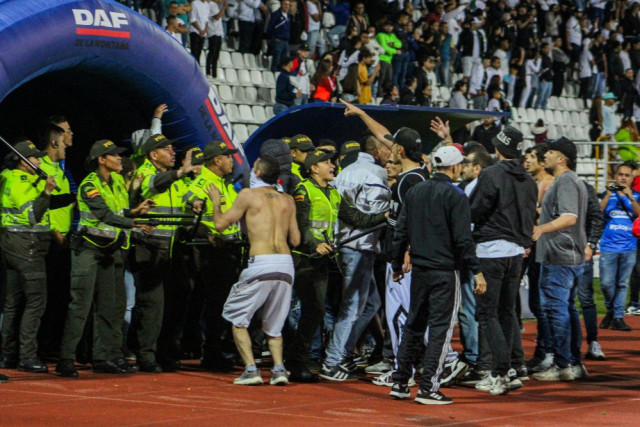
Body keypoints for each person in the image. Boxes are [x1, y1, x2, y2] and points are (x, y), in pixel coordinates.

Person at [390, 146, 487, 405]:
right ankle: (428, 387)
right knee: (440, 330)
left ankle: (400, 381)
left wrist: (397, 265)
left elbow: (400, 233)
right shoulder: (456, 195)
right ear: (454, 168)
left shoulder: (414, 191)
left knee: (413, 325)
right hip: (445, 271)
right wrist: (477, 271)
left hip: (419, 270)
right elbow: (463, 239)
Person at [285, 149, 386, 382]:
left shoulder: (334, 192)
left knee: (315, 311)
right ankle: (298, 361)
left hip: (323, 261)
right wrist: (315, 245)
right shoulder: (303, 190)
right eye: (326, 162)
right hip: (305, 259)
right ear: (313, 168)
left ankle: (297, 360)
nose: (332, 165)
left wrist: (386, 213)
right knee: (313, 311)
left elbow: (359, 220)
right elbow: (299, 226)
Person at [56, 140, 154, 377]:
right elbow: (103, 214)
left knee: (110, 308)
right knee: (80, 306)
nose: (119, 158)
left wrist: (134, 211)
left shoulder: (118, 181)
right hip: (88, 251)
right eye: (114, 155)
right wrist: (134, 222)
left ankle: (105, 357)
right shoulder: (89, 184)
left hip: (110, 251)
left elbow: (117, 211)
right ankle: (65, 359)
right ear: (101, 159)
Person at [207, 156, 300, 385]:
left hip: (261, 262)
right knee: (275, 323)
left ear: (257, 172)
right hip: (286, 264)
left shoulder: (248, 195)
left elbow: (220, 225)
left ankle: (251, 369)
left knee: (237, 318)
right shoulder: (287, 199)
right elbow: (296, 239)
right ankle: (279, 370)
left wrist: (215, 202)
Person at [470, 126, 537, 395]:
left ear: (498, 149)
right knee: (507, 312)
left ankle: (499, 372)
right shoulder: (529, 180)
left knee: (488, 313)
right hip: (516, 253)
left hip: (491, 251)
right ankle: (508, 367)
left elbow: (475, 210)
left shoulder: (491, 174)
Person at [320, 139, 391, 381]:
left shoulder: (344, 174)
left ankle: (344, 353)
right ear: (375, 151)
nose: (391, 157)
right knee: (351, 308)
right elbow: (374, 215)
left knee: (371, 304)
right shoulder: (376, 174)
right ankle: (333, 360)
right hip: (361, 246)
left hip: (345, 245)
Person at [128, 134, 196, 372]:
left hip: (171, 245)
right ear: (153, 154)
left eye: (172, 148)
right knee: (152, 303)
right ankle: (146, 354)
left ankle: (166, 350)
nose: (172, 153)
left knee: (179, 296)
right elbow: (153, 185)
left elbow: (186, 198)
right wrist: (180, 172)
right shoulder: (144, 173)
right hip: (148, 245)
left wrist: (195, 203)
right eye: (167, 149)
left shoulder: (174, 178)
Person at [532, 137, 589, 382]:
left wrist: (541, 229)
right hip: (569, 256)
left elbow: (569, 217)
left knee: (557, 311)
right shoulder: (574, 180)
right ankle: (573, 362)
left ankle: (563, 363)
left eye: (551, 152)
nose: (545, 155)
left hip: (559, 256)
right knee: (567, 309)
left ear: (562, 158)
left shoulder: (565, 181)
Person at [184, 141, 244, 371]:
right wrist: (208, 233)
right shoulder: (204, 183)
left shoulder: (223, 183)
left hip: (227, 250)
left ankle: (217, 349)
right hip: (212, 253)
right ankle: (211, 352)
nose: (232, 160)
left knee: (222, 303)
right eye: (228, 157)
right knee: (215, 304)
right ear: (217, 160)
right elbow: (191, 210)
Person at [0, 140, 57, 373]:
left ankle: (8, 355)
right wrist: (46, 192)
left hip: (12, 245)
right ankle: (27, 356)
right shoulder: (17, 180)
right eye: (34, 158)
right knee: (36, 301)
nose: (39, 161)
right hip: (26, 247)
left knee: (13, 303)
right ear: (22, 162)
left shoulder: (9, 178)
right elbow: (32, 215)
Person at [36, 123, 75, 357]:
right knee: (46, 296)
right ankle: (41, 345)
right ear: (54, 142)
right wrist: (54, 231)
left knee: (60, 295)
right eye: (63, 140)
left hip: (64, 239)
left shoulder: (58, 169)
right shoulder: (41, 168)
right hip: (51, 240)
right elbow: (43, 203)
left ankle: (51, 344)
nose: (66, 146)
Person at [598, 164, 640, 332]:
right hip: (608, 246)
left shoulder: (636, 195)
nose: (623, 178)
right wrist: (608, 195)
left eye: (627, 175)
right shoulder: (607, 195)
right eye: (620, 174)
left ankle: (617, 317)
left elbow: (638, 215)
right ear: (615, 176)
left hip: (629, 245)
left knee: (622, 284)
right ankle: (611, 311)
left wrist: (631, 198)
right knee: (606, 284)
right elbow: (598, 212)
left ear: (632, 178)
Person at [266, 0, 291, 73]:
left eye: (288, 5)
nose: (287, 6)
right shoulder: (276, 14)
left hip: (286, 41)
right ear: (281, 4)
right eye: (285, 4)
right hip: (277, 40)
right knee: (276, 60)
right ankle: (273, 75)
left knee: (284, 61)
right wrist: (269, 37)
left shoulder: (288, 16)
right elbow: (270, 26)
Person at [205, 0, 227, 79]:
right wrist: (224, 7)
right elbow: (217, 17)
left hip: (218, 32)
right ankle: (208, 72)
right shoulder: (210, 5)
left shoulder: (215, 5)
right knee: (212, 52)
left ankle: (214, 73)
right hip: (213, 31)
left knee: (216, 54)